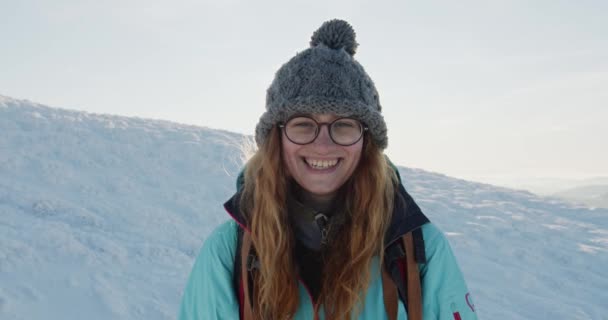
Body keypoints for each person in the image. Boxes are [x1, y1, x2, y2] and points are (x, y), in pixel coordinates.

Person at [179, 19, 478, 320]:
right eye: (303, 124)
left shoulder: (417, 249)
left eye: (344, 125)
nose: (323, 145)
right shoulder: (229, 252)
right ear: (277, 138)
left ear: (367, 141)